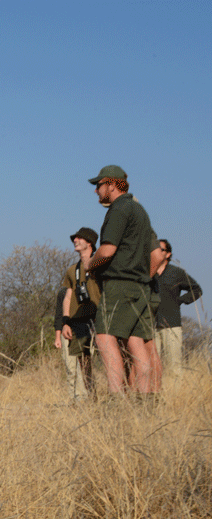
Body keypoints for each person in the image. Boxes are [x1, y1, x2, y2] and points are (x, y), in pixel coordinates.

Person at [87, 166, 159, 395]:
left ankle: (116, 400)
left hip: (119, 285)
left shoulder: (119, 209)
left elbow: (107, 251)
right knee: (137, 343)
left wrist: (90, 264)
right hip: (141, 287)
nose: (96, 191)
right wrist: (140, 276)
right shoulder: (141, 211)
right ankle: (146, 401)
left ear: (111, 184)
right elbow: (155, 256)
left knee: (104, 338)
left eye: (99, 185)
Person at [59, 227, 100, 402]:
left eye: (79, 238)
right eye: (74, 238)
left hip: (98, 319)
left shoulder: (102, 264)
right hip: (78, 321)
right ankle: (87, 398)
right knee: (82, 360)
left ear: (89, 243)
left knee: (105, 358)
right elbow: (67, 297)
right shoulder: (71, 270)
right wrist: (65, 322)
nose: (75, 240)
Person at [154, 239, 203, 376]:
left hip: (171, 323)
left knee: (173, 365)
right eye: (154, 249)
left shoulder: (176, 272)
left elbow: (196, 289)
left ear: (168, 254)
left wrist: (180, 300)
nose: (157, 251)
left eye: (161, 249)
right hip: (150, 324)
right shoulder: (147, 272)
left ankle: (175, 395)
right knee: (151, 365)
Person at [53, 287, 89, 401]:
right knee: (71, 366)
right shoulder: (63, 291)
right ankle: (75, 397)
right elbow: (59, 315)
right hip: (66, 331)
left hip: (84, 329)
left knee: (85, 365)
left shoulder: (86, 285)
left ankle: (89, 395)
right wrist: (57, 337)